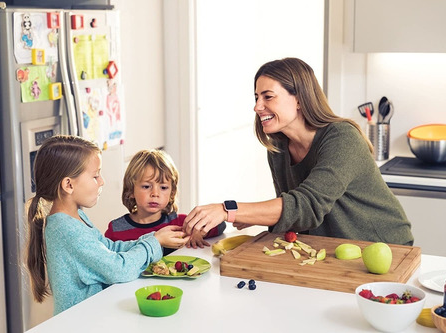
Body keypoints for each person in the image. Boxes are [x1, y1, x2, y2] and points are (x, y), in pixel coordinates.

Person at [183, 57, 413, 246]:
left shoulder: (342, 138)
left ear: (300, 99)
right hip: (333, 250)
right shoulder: (278, 147)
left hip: (383, 247)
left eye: (268, 97)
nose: (257, 106)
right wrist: (249, 215)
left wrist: (229, 210)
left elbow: (307, 205)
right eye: (256, 97)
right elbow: (297, 216)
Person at [25, 135, 188, 315]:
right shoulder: (66, 230)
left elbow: (109, 247)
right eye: (95, 176)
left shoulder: (75, 216)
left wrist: (154, 237)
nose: (102, 181)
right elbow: (119, 269)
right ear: (68, 185)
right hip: (81, 323)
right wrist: (154, 243)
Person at [105, 149, 226, 255]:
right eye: (146, 186)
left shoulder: (180, 224)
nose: (155, 193)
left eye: (163, 188)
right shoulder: (116, 230)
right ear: (131, 190)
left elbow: (220, 226)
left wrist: (198, 233)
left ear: (172, 193)